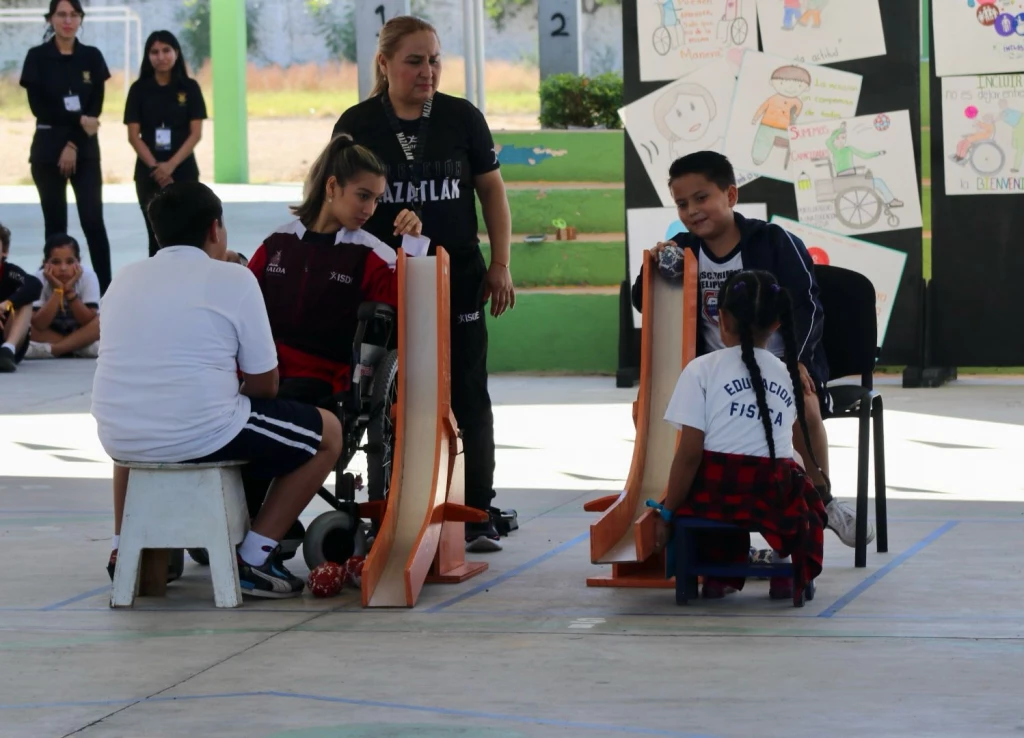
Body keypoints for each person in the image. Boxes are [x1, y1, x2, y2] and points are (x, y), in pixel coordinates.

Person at [92, 182, 342, 598]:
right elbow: (266, 385)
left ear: (158, 234)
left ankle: (123, 551)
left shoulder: (124, 279)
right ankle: (254, 557)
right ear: (215, 229)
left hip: (118, 438)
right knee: (328, 433)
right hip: (201, 433)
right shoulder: (235, 279)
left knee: (143, 420)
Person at [332, 15, 516, 552]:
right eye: (415, 60)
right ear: (385, 63)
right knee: (383, 396)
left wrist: (499, 264)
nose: (428, 70)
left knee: (467, 391)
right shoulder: (358, 122)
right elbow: (335, 198)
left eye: (434, 59)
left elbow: (493, 194)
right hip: (380, 282)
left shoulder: (462, 118)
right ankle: (398, 502)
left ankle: (476, 509)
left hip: (457, 277)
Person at [631, 151, 873, 548]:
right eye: (681, 203)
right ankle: (690, 513)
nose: (692, 211)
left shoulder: (775, 242)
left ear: (730, 195)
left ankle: (819, 500)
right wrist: (654, 267)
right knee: (647, 407)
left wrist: (797, 361)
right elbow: (647, 301)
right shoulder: (682, 249)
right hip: (716, 374)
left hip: (781, 363)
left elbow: (808, 304)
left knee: (805, 404)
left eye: (701, 197)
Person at [242, 135, 421, 544]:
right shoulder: (278, 243)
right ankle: (252, 524)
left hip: (326, 381)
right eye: (362, 195)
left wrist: (411, 243)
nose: (369, 208)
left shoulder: (372, 254)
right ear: (331, 186)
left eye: (376, 199)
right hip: (263, 374)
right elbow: (240, 302)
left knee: (272, 410)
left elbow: (408, 301)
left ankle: (255, 528)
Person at [653, 270, 827, 600]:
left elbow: (689, 454)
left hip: (716, 494)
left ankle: (719, 573)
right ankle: (783, 563)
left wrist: (668, 512)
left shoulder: (700, 369)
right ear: (777, 324)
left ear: (722, 318)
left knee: (701, 477)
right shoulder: (788, 372)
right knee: (795, 461)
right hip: (773, 492)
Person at [19, 0, 112, 293]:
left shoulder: (92, 57)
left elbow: (95, 110)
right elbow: (40, 108)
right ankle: (54, 291)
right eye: (61, 14)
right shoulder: (37, 57)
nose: (68, 20)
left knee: (93, 221)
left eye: (74, 14)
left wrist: (73, 142)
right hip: (47, 150)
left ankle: (106, 291)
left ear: (81, 19)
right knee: (55, 225)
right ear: (50, 19)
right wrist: (79, 120)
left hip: (84, 150)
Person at [124, 30, 208, 257]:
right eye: (154, 52)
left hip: (183, 170)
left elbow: (196, 133)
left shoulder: (190, 87)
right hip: (149, 174)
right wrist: (156, 168)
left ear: (176, 53)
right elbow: (133, 135)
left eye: (166, 50)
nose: (161, 56)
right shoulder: (138, 89)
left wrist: (170, 166)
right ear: (147, 56)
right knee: (156, 236)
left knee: (189, 234)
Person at [26, 234, 100, 360]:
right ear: (45, 264)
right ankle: (78, 348)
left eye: (70, 262)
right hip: (49, 334)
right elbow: (39, 324)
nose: (63, 268)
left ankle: (55, 350)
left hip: (81, 331)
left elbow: (87, 320)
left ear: (79, 262)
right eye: (55, 262)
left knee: (103, 321)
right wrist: (58, 291)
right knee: (21, 322)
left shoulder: (88, 277)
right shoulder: (39, 279)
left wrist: (70, 292)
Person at [826, 122, 903, 209]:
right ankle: (891, 201)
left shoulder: (849, 149)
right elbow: (828, 141)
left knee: (876, 180)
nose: (842, 140)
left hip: (852, 175)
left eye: (844, 138)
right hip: (846, 177)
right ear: (834, 139)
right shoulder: (835, 150)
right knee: (878, 182)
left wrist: (877, 153)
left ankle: (891, 201)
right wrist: (840, 129)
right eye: (839, 138)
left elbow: (865, 155)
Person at [0, 224, 43, 373]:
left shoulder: (9, 272)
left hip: (8, 338)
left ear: (4, 251)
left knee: (25, 301)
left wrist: (8, 303)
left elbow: (34, 284)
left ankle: (7, 350)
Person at [750, 65, 809, 168]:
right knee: (763, 139)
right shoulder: (772, 99)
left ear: (806, 88)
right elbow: (762, 108)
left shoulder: (798, 103)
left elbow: (795, 116)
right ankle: (758, 157)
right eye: (782, 83)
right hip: (767, 125)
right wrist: (756, 118)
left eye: (798, 86)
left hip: (784, 129)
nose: (790, 88)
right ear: (772, 83)